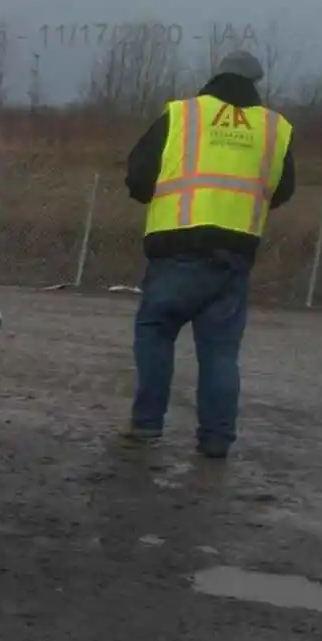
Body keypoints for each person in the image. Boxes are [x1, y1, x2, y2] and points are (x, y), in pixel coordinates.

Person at [122, 50, 295, 458]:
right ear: (256, 82)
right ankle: (216, 439)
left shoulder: (183, 115)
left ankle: (147, 426)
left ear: (214, 76)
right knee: (220, 352)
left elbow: (139, 176)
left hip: (175, 250)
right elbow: (283, 190)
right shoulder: (274, 128)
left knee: (156, 333)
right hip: (234, 255)